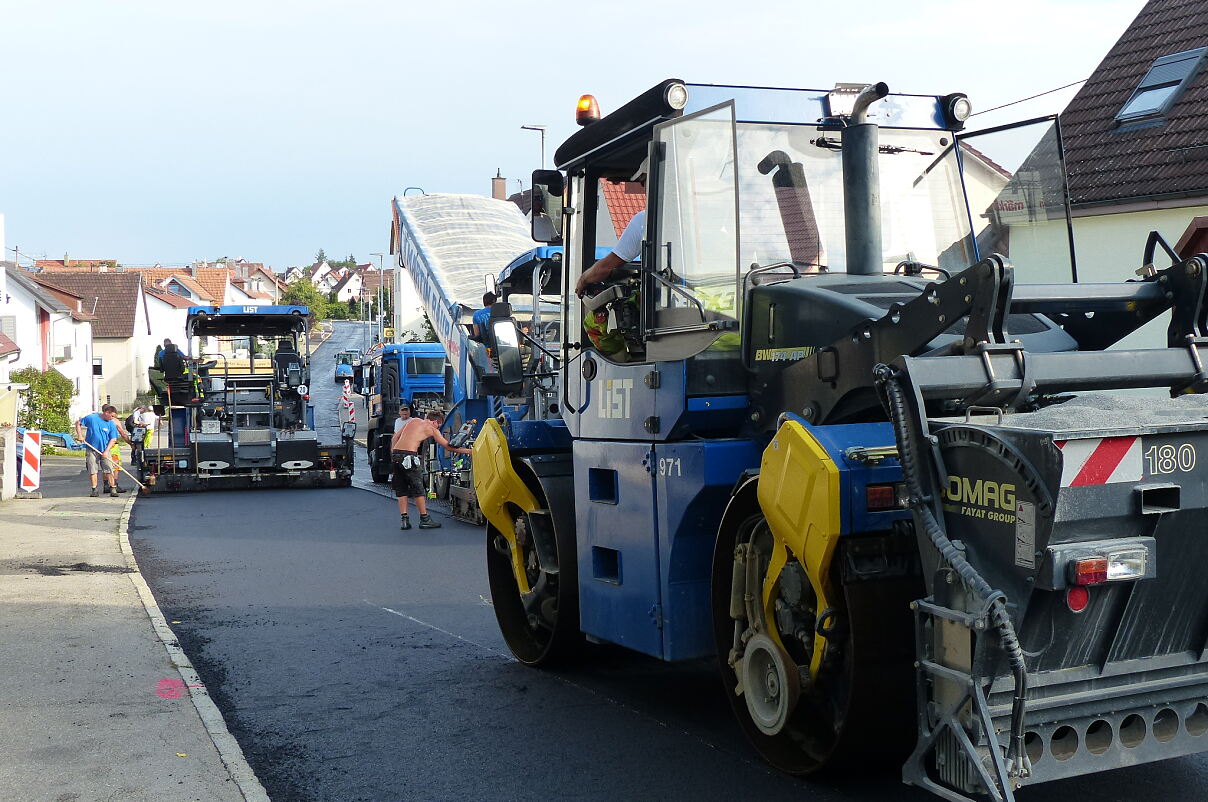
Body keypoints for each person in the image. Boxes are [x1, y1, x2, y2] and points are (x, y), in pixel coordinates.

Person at [575, 158, 648, 297]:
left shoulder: (646, 219)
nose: (643, 188)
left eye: (643, 181)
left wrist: (583, 279)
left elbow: (606, 267)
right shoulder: (697, 216)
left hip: (666, 308)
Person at [390, 410, 471, 530]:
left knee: (401, 489)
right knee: (418, 489)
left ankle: (404, 520)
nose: (438, 427)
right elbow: (448, 446)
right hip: (409, 457)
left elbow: (395, 437)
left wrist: (394, 453)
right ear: (435, 422)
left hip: (396, 455)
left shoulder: (414, 421)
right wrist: (469, 451)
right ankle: (424, 519)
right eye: (439, 425)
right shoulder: (432, 429)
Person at [75, 405, 121, 498]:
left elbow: (113, 438)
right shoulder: (92, 418)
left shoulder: (111, 423)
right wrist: (80, 435)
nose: (113, 418)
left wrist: (106, 451)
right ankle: (94, 489)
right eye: (112, 416)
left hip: (105, 449)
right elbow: (78, 423)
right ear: (106, 412)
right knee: (92, 469)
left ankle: (113, 488)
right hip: (92, 448)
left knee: (109, 468)